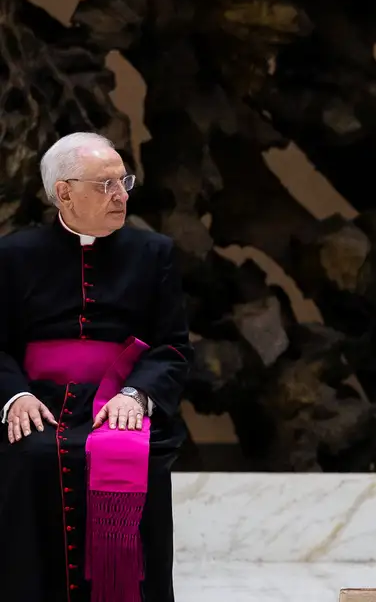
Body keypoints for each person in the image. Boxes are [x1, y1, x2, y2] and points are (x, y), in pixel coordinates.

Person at [0, 132, 192, 602]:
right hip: (38, 400)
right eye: (106, 185)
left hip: (120, 400)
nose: (121, 195)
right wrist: (15, 395)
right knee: (31, 456)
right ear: (64, 192)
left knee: (130, 453)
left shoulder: (154, 253)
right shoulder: (13, 255)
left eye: (124, 181)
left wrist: (137, 394)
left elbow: (171, 345)